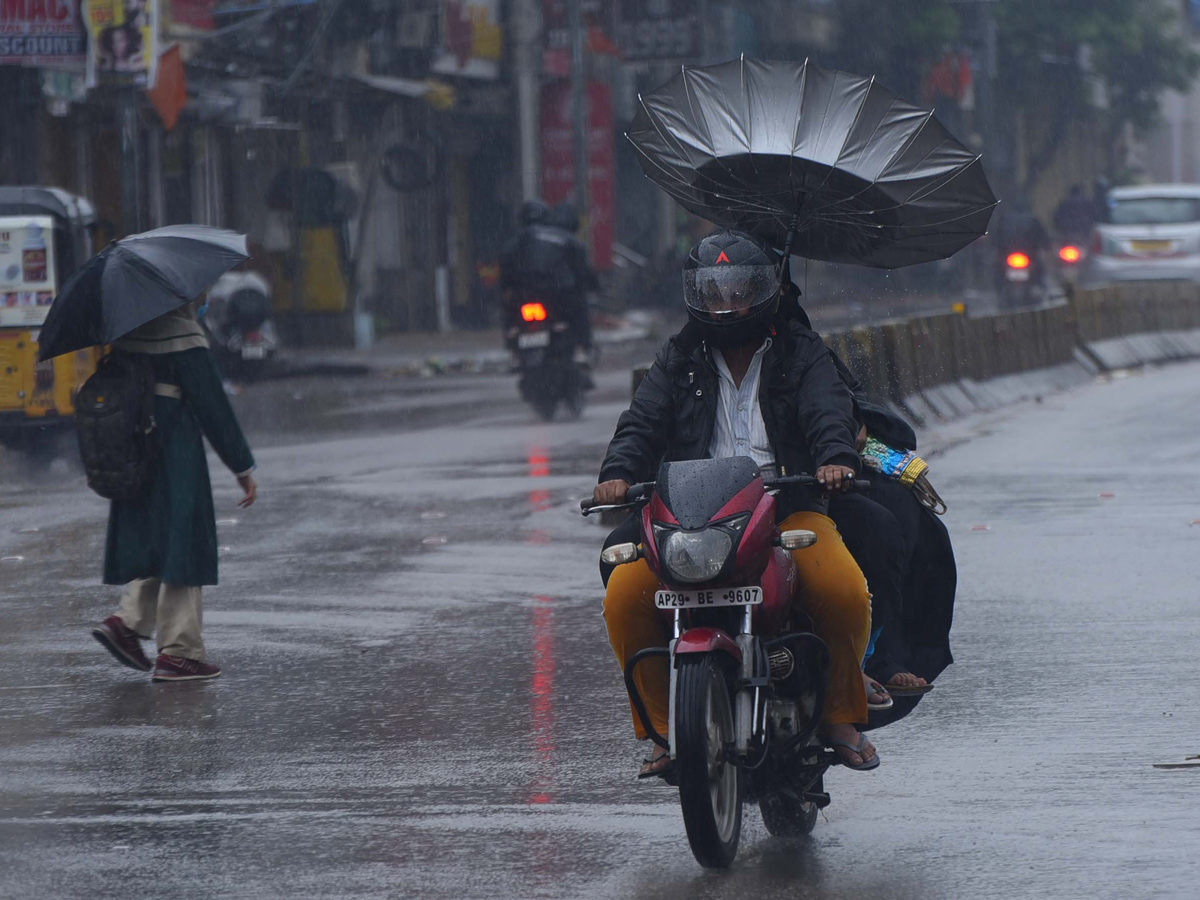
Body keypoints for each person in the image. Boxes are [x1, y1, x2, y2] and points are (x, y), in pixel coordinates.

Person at [594, 229, 877, 775]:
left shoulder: (801, 351)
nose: (725, 305)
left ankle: (841, 714)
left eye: (738, 290)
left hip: (786, 505)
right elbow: (641, 423)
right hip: (695, 513)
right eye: (712, 292)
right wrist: (617, 474)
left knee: (843, 590)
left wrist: (834, 458)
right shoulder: (678, 357)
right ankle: (661, 729)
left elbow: (827, 412)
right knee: (625, 594)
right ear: (695, 296)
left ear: (764, 291)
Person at [90, 304, 257, 682]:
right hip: (174, 442)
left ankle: (126, 623)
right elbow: (213, 406)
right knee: (185, 538)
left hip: (133, 441)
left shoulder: (128, 329)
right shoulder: (183, 335)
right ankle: (180, 653)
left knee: (154, 538)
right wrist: (242, 467)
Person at [499, 199, 598, 358]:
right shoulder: (566, 239)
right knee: (581, 307)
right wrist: (593, 285)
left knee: (508, 307)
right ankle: (584, 349)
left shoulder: (519, 240)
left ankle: (512, 347)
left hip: (525, 292)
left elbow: (505, 266)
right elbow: (583, 271)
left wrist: (509, 287)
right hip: (558, 291)